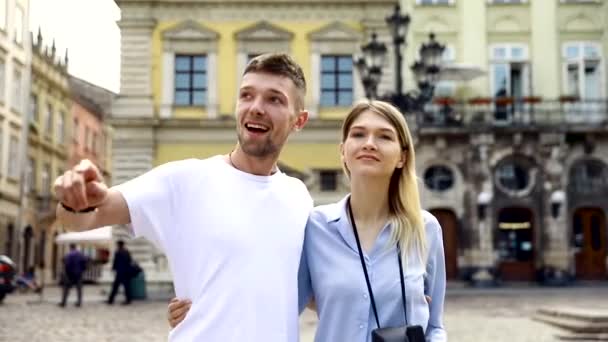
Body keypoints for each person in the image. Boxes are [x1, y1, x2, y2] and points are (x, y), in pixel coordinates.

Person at [53, 53, 312, 341]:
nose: (256, 108)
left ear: (298, 120)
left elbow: (307, 288)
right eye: (246, 95)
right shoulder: (184, 180)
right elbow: (89, 217)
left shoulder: (298, 196)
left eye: (274, 99)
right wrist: (75, 200)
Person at [169, 100, 447, 341]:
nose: (369, 144)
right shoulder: (315, 227)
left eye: (384, 137)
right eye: (359, 134)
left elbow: (435, 326)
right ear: (343, 152)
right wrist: (204, 313)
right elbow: (278, 303)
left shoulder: (426, 230)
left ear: (402, 157)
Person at [59, 243, 87, 307]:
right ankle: (79, 302)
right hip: (79, 274)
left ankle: (63, 302)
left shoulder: (69, 255)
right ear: (75, 247)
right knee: (79, 289)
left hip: (70, 274)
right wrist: (82, 270)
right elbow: (85, 262)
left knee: (66, 289)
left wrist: (67, 272)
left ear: (70, 247)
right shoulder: (80, 254)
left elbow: (67, 264)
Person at [107, 240, 133, 305]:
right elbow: (130, 261)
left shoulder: (118, 252)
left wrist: (113, 269)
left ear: (119, 245)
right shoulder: (127, 252)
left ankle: (110, 300)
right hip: (126, 272)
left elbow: (115, 262)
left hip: (120, 272)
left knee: (115, 287)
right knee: (127, 287)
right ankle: (128, 300)